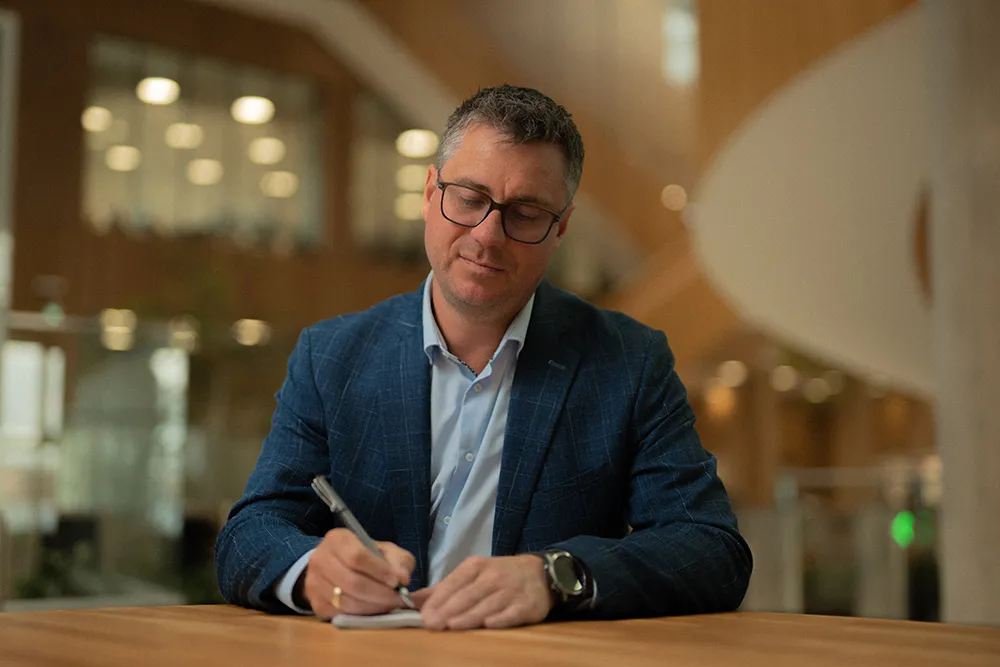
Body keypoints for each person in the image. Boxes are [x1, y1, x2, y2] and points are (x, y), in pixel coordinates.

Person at [215, 84, 752, 630]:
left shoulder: (629, 362)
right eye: (470, 198)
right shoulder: (331, 356)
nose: (488, 234)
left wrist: (555, 576)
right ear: (430, 193)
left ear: (561, 228)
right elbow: (250, 533)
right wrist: (313, 571)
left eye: (526, 213)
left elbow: (710, 549)